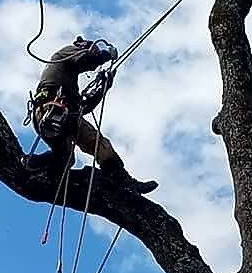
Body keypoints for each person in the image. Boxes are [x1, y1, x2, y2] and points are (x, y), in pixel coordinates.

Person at [25, 36, 157, 194]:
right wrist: (106, 54)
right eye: (92, 47)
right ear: (80, 45)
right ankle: (35, 164)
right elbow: (85, 60)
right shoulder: (65, 53)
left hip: (66, 114)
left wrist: (103, 88)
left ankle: (124, 181)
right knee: (65, 157)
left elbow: (84, 107)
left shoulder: (69, 83)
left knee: (97, 146)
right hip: (50, 110)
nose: (94, 50)